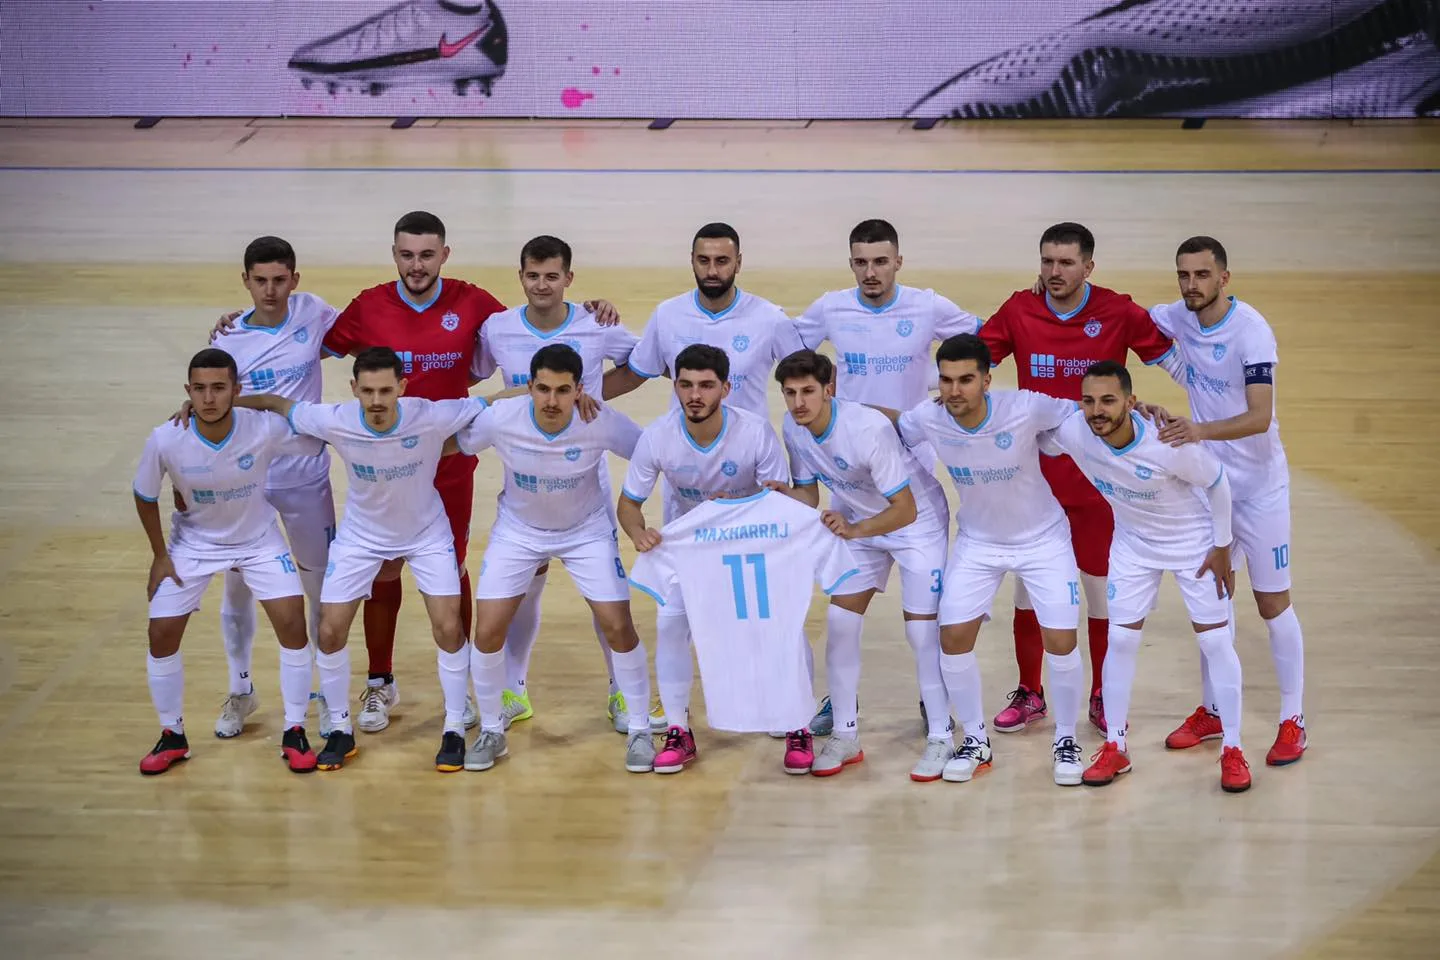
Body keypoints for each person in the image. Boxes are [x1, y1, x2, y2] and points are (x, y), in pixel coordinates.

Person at [312, 211, 621, 734]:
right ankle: (381, 680)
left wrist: (586, 313)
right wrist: (248, 324)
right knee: (384, 567)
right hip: (385, 464)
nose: (416, 265)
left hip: (451, 460)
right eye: (406, 255)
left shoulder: (475, 305)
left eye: (426, 255)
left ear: (444, 255)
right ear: (394, 255)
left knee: (451, 566)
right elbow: (305, 345)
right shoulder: (368, 305)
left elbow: (536, 324)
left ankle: (474, 689)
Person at [236, 347, 504, 773]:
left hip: (426, 534)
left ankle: (454, 727)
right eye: (367, 391)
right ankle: (340, 729)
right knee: (329, 629)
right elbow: (277, 403)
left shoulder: (431, 414)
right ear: (354, 389)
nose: (376, 401)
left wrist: (542, 391)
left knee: (448, 626)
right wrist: (217, 405)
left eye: (385, 391)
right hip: (361, 538)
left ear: (402, 387)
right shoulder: (335, 419)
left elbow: (491, 400)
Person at [979, 221, 1183, 735]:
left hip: (1099, 486)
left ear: (1088, 267)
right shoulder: (1020, 309)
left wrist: (1196, 415)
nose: (1054, 271)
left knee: (1099, 592)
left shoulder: (1118, 311)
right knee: (1028, 592)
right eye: (1047, 261)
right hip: (1036, 482)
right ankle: (1030, 691)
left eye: (1066, 263)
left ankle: (1101, 694)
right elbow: (977, 361)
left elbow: (1176, 356)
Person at [876, 334, 1088, 786]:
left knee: (1060, 639)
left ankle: (1066, 739)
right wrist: (839, 410)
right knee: (952, 637)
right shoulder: (929, 417)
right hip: (978, 542)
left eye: (966, 380)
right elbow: (894, 426)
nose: (954, 391)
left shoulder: (1026, 406)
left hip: (1043, 539)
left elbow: (1081, 413)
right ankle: (975, 740)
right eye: (946, 380)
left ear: (987, 380)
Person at [1042, 361, 1252, 793]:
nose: (1097, 410)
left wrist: (1222, 546)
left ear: (1131, 402)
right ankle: (1116, 746)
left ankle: (1233, 747)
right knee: (1120, 641)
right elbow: (1038, 436)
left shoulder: (1167, 442)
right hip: (1133, 546)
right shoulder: (1076, 431)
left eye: (1108, 400)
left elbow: (1217, 482)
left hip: (1193, 544)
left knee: (1215, 642)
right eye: (1088, 401)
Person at [470, 235, 648, 733]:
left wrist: (591, 398)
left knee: (607, 603)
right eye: (533, 275)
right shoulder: (498, 327)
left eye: (552, 276)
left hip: (583, 486)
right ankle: (513, 691)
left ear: (569, 278)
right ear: (520, 277)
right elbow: (471, 374)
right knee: (523, 592)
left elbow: (640, 366)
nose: (542, 285)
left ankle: (620, 692)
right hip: (524, 487)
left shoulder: (595, 323)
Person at [455, 344, 655, 773]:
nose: (551, 400)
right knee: (487, 630)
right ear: (529, 386)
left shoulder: (598, 419)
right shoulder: (502, 419)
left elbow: (651, 452)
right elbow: (458, 442)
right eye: (543, 389)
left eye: (563, 390)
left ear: (579, 390)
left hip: (586, 532)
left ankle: (640, 728)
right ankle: (491, 730)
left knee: (618, 625)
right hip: (518, 532)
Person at [1146, 236, 1307, 766]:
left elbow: (1260, 417)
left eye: (1202, 274)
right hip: (1212, 487)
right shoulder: (1178, 315)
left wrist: (1198, 430)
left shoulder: (1252, 332)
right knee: (1212, 601)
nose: (1191, 284)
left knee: (1271, 603)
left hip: (1260, 490)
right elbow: (1125, 316)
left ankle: (1293, 720)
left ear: (1224, 278)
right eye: (1183, 275)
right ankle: (1214, 711)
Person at [134, 348, 322, 775]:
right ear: (188, 391)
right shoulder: (166, 438)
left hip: (258, 540)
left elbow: (316, 434)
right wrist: (160, 556)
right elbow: (144, 495)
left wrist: (268, 401)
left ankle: (294, 730)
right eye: (199, 389)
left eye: (219, 388)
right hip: (193, 545)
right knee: (161, 632)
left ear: (236, 390)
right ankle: (172, 735)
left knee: (292, 621)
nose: (208, 398)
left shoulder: (263, 427)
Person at [770, 350, 952, 779]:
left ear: (829, 389)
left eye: (808, 391)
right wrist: (779, 494)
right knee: (840, 623)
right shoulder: (793, 429)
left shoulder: (867, 429)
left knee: (921, 632)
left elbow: (905, 509)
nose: (799, 402)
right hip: (860, 523)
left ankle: (941, 735)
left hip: (917, 526)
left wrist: (854, 530)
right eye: (790, 393)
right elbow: (808, 495)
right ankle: (845, 734)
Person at [616, 344, 791, 774]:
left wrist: (739, 507)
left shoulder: (754, 432)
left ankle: (794, 720)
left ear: (726, 389)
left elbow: (781, 500)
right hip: (688, 550)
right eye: (686, 384)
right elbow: (629, 504)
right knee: (669, 626)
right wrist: (638, 533)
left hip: (748, 544)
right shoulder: (658, 435)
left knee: (780, 629)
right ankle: (678, 729)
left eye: (706, 385)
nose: (695, 395)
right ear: (675, 386)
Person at [201, 237, 338, 741]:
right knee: (237, 584)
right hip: (248, 483)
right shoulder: (228, 340)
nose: (271, 290)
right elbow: (213, 409)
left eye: (280, 280)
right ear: (245, 281)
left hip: (306, 480)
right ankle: (241, 689)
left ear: (295, 280)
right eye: (260, 281)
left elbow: (363, 335)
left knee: (321, 588)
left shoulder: (314, 312)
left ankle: (327, 694)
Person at [627, 489, 863, 777]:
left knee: (791, 636)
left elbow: (810, 515)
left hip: (773, 603)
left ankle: (798, 727)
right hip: (715, 587)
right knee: (669, 628)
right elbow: (633, 511)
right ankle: (679, 730)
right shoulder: (691, 524)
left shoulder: (793, 516)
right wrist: (649, 539)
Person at [622, 221, 805, 421]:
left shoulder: (771, 318)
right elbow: (634, 375)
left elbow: (807, 379)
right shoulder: (666, 314)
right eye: (703, 260)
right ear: (692, 261)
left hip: (748, 439)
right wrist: (592, 400)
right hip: (684, 438)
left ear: (738, 263)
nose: (712, 271)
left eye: (721, 261)